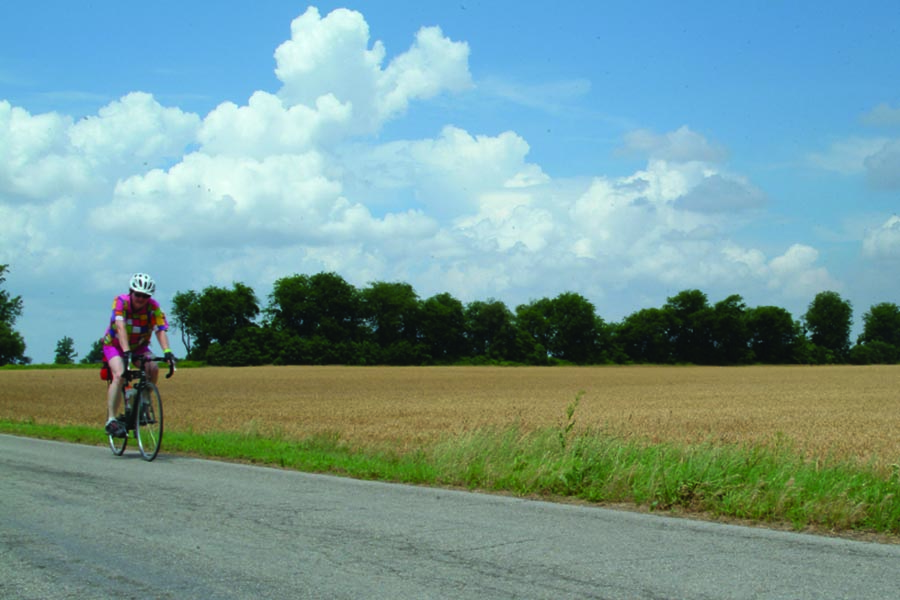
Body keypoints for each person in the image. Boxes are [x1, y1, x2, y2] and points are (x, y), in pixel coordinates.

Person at [102, 272, 176, 437]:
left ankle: (142, 400)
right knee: (120, 374)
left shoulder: (154, 307)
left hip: (139, 345)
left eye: (145, 296)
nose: (141, 299)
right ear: (131, 292)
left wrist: (167, 352)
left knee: (153, 368)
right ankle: (112, 420)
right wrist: (126, 351)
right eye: (138, 294)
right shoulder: (120, 302)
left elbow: (160, 330)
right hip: (115, 345)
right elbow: (120, 326)